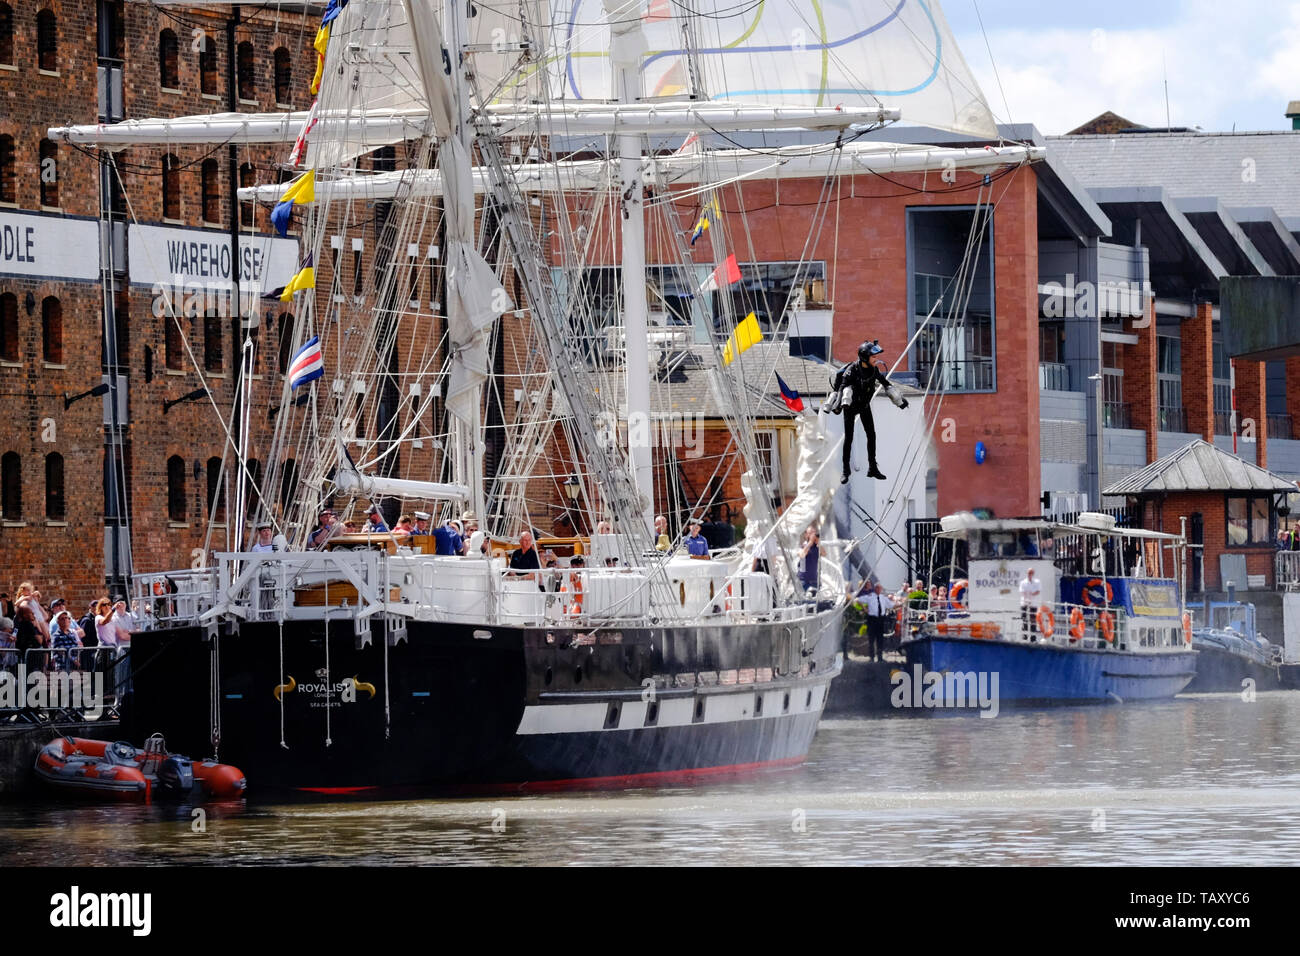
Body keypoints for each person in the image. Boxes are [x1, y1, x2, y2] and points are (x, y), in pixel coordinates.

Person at [830, 340, 908, 483]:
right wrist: (837, 405)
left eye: (876, 356)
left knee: (871, 436)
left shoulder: (874, 370)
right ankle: (846, 471)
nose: (876, 359)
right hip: (850, 407)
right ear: (865, 357)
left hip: (864, 406)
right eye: (873, 357)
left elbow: (886, 384)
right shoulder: (851, 370)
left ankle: (872, 468)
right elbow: (841, 388)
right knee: (849, 438)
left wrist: (900, 400)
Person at [862, 582, 894, 661]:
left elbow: (891, 605)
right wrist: (864, 608)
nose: (879, 589)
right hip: (872, 619)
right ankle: (872, 657)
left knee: (880, 639)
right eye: (877, 588)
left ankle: (880, 657)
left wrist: (902, 603)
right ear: (875, 588)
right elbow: (858, 600)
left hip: (881, 620)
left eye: (880, 588)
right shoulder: (870, 597)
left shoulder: (883, 597)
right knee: (871, 639)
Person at [1019, 567, 1042, 639]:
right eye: (1029, 573)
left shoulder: (1037, 582)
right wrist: (1028, 596)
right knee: (1024, 618)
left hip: (1033, 603)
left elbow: (1038, 591)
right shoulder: (1023, 582)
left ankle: (1033, 636)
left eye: (1031, 573)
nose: (1030, 574)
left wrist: (1031, 594)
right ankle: (1025, 635)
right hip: (1024, 603)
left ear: (1033, 574)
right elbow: (1022, 592)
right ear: (1027, 573)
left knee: (1033, 620)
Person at [799, 527, 821, 594]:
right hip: (804, 580)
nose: (813, 535)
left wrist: (819, 543)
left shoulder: (816, 547)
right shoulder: (803, 545)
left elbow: (824, 553)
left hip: (814, 580)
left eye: (814, 533)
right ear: (806, 535)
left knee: (815, 601)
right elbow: (802, 555)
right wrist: (810, 542)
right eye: (811, 533)